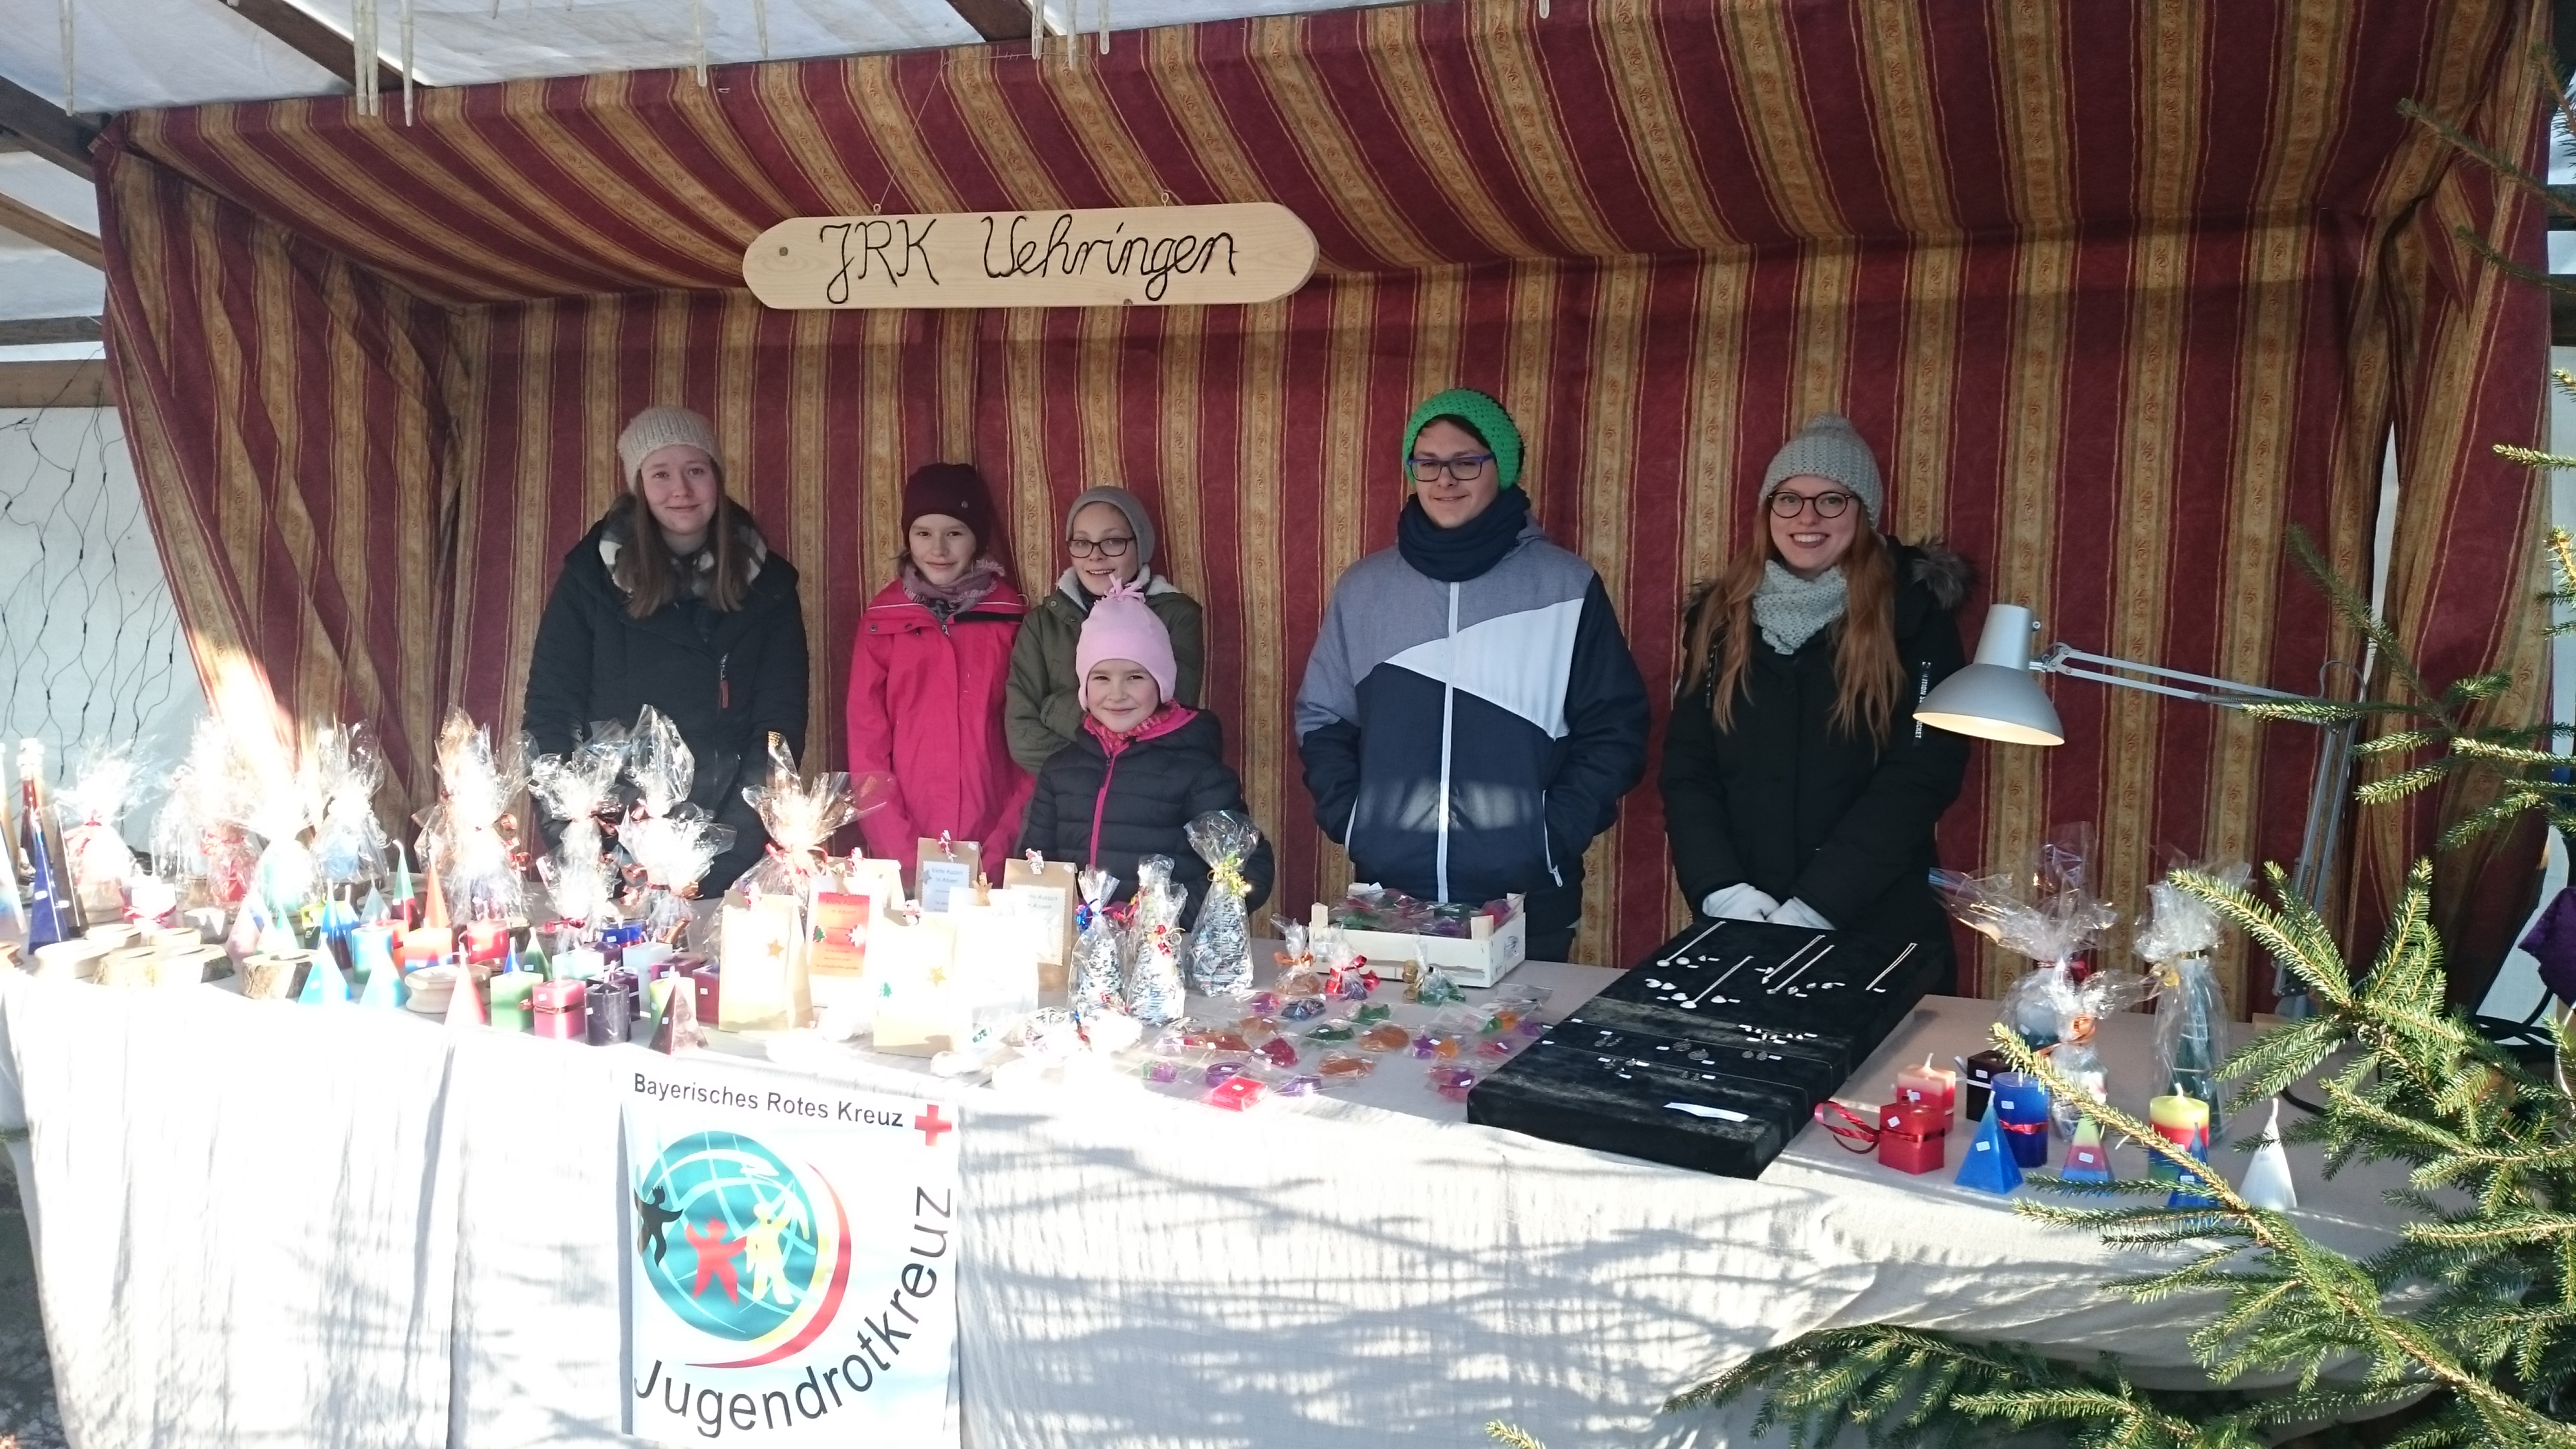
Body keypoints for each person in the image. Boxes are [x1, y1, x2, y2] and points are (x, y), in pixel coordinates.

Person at [1295, 388, 1649, 963]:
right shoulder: (1364, 589)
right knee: (1388, 1046)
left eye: (1466, 461)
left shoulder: (1566, 585)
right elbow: (1324, 715)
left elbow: (1615, 725)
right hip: (1391, 888)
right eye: (1427, 461)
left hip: (1527, 892)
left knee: (1516, 1050)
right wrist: (1355, 819)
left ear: (1501, 467)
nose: (1444, 479)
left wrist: (1550, 833)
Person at [1658, 413, 1971, 987]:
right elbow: (1688, 768)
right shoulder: (1720, 617)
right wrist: (1719, 889)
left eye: (1832, 500)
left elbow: (1923, 773)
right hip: (1743, 920)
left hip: (1878, 928)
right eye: (1789, 499)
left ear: (1865, 513)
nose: (1807, 517)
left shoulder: (1916, 613)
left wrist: (1818, 905)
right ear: (1766, 511)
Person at [523, 406, 808, 895]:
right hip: (611, 843)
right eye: (661, 474)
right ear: (638, 485)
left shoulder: (771, 586)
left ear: (717, 477)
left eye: (695, 471)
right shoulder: (589, 579)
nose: (681, 490)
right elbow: (551, 706)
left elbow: (778, 728)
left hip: (723, 841)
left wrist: (728, 851)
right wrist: (579, 835)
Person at [1018, 580, 1273, 924]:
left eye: (1136, 677)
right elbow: (1034, 863)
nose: (1117, 694)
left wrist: (1159, 921)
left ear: (1161, 683)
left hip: (1163, 958)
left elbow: (1248, 869)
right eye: (1101, 678)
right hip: (1080, 953)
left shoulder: (1196, 771)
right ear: (1084, 685)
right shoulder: (1060, 771)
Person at [845, 464, 1029, 881]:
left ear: (977, 539)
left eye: (955, 533)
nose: (939, 549)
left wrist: (1002, 847)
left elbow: (1028, 742)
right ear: (908, 539)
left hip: (996, 843)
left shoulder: (1011, 621)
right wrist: (900, 850)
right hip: (907, 845)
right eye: (924, 533)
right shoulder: (883, 623)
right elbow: (867, 741)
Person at [1005, 486, 1205, 773]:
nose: (1095, 556)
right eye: (1082, 542)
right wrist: (1101, 772)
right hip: (1063, 805)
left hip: (1142, 800)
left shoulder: (1176, 615)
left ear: (1140, 545)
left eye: (1112, 541)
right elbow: (1022, 736)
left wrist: (1052, 708)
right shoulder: (1042, 623)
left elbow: (1168, 721)